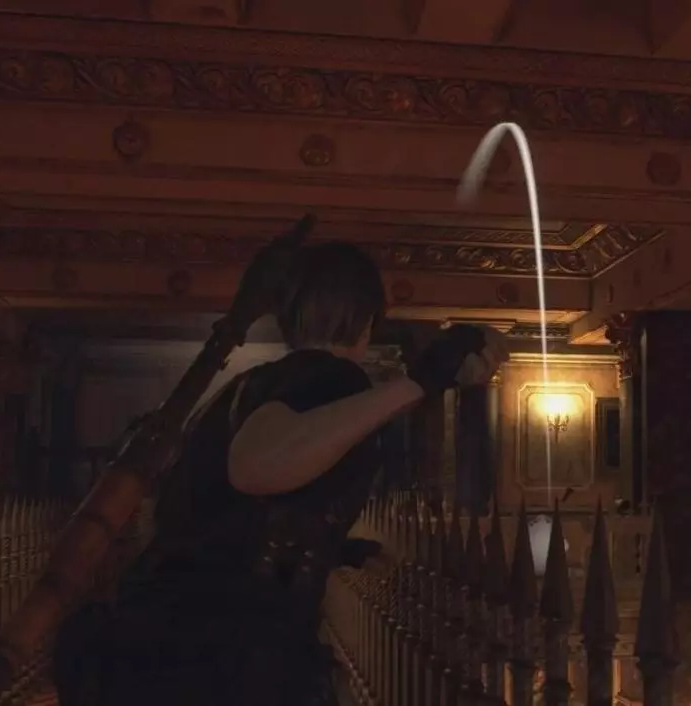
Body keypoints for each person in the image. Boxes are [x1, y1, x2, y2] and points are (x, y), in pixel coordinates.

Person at [54, 241, 508, 706]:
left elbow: (215, 516)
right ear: (369, 319)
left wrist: (329, 548)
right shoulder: (332, 378)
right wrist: (419, 383)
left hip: (169, 640)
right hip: (223, 658)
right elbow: (255, 467)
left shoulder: (244, 386)